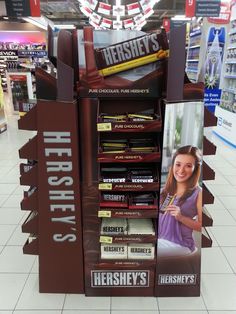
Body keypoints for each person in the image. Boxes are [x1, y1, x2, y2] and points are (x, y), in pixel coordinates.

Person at [157, 145, 202, 257]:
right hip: (160, 239)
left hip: (181, 244)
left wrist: (181, 217)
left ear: (195, 169)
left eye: (188, 166)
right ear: (173, 166)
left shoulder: (199, 193)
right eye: (178, 164)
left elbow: (203, 227)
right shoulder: (165, 191)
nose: (181, 170)